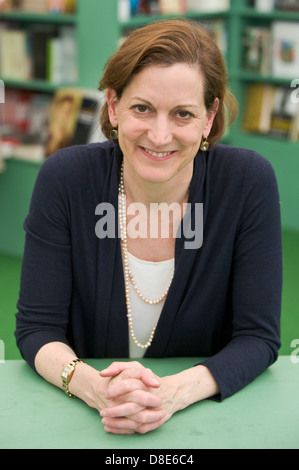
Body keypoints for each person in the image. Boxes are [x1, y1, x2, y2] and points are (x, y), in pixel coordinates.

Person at [15, 19, 282, 435]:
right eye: (142, 108)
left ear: (209, 118)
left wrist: (171, 393)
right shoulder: (65, 179)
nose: (160, 136)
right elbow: (37, 330)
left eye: (183, 114)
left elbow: (258, 337)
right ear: (114, 106)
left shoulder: (247, 183)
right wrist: (94, 388)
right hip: (86, 423)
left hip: (203, 425)